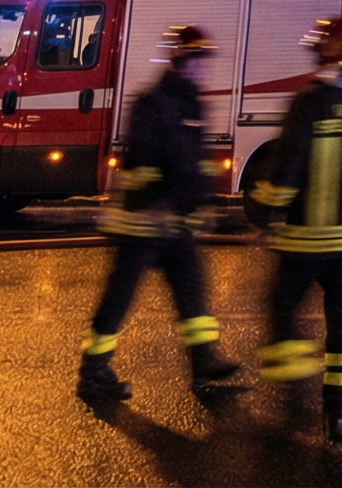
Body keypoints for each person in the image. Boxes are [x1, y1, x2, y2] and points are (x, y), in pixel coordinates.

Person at [247, 15, 342, 443]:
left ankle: (294, 393)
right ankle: (337, 413)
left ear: (323, 53)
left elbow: (286, 168)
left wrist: (262, 212)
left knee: (282, 306)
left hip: (306, 238)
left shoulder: (311, 100)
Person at [77, 24, 238, 406]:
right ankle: (92, 373)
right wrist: (169, 195)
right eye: (198, 59)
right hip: (140, 222)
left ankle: (204, 363)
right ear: (182, 59)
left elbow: (197, 161)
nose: (203, 67)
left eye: (205, 60)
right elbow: (143, 164)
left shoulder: (193, 103)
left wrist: (202, 202)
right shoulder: (151, 102)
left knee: (193, 295)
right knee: (118, 300)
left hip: (175, 222)